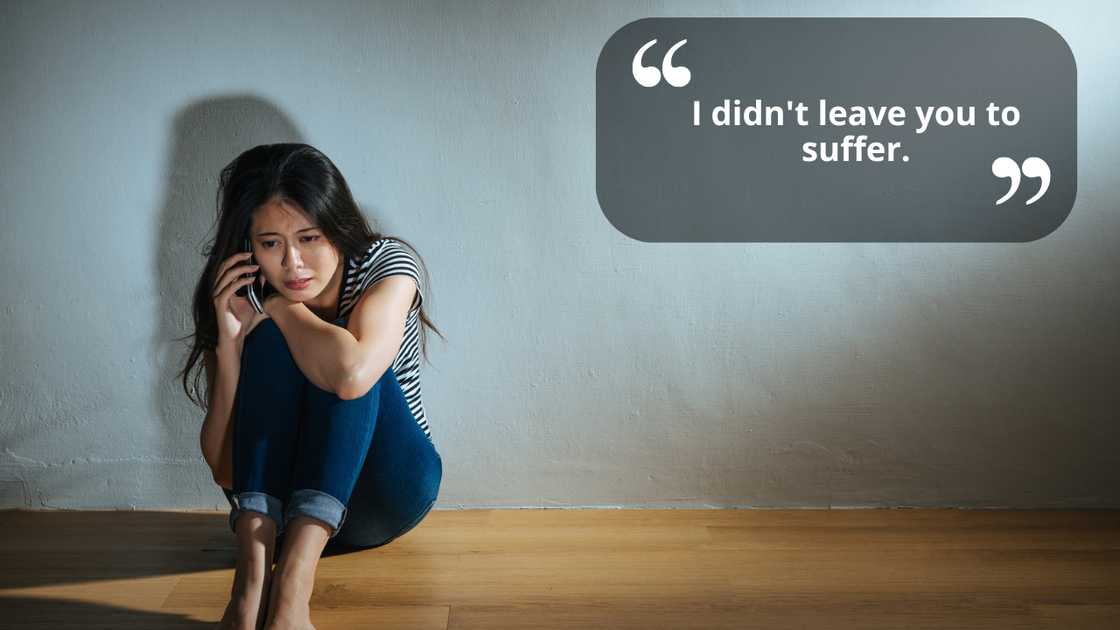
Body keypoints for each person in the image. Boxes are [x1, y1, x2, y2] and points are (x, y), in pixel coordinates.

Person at [175, 143, 445, 630]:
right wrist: (232, 350)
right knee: (277, 344)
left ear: (335, 226)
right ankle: (249, 589)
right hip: (277, 508)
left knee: (341, 352)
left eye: (309, 237)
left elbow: (352, 374)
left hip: (384, 490)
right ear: (249, 245)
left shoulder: (387, 264)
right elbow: (225, 469)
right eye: (271, 243)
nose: (293, 263)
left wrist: (278, 308)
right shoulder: (239, 295)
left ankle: (292, 597)